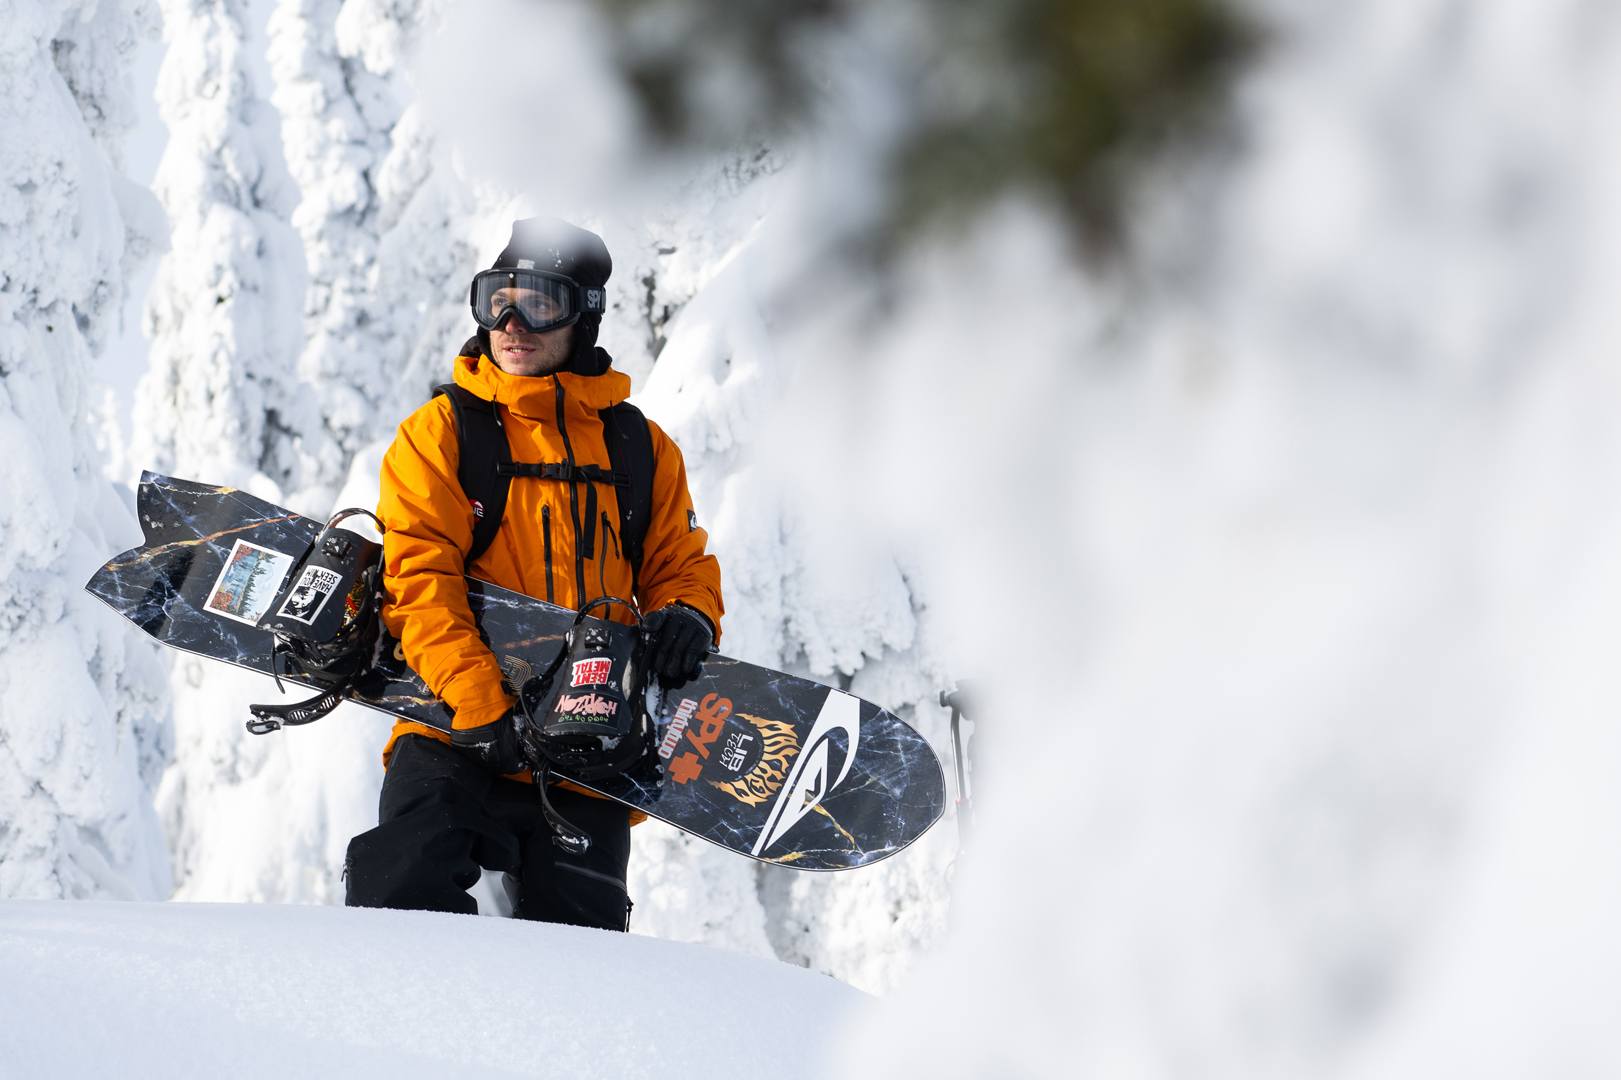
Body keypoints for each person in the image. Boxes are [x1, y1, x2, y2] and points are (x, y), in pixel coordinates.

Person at [344, 218, 724, 929]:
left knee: (579, 951)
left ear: (584, 317)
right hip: (452, 728)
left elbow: (679, 559)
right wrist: (476, 703)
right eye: (497, 302)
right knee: (400, 900)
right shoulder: (443, 432)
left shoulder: (638, 447)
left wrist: (688, 611)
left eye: (539, 305)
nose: (511, 324)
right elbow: (419, 580)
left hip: (589, 743)